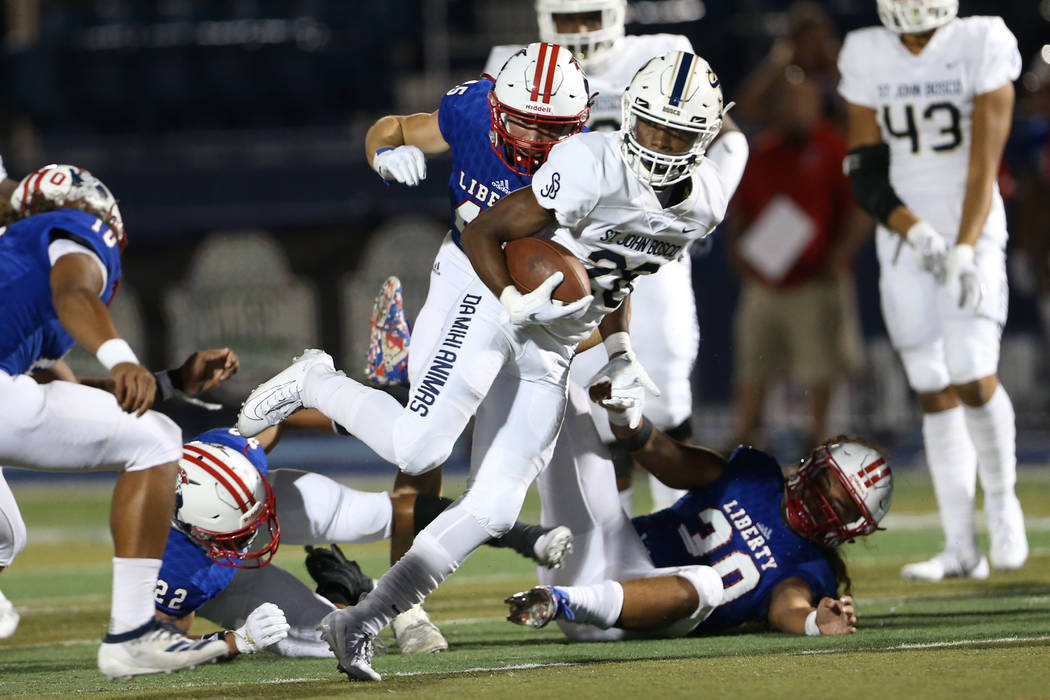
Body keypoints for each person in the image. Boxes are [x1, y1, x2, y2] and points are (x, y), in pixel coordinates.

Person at [238, 49, 744, 681]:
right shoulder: (587, 160)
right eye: (650, 127)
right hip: (485, 288)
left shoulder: (703, 205)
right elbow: (484, 233)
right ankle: (315, 377)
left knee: (498, 505)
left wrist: (620, 352)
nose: (661, 144)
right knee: (420, 449)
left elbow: (616, 275)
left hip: (554, 340)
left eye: (679, 134)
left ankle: (360, 620)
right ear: (626, 118)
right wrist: (510, 300)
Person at [485, 0, 750, 513]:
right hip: (568, 247)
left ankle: (683, 532)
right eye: (568, 18)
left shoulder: (662, 55)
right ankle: (620, 544)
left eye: (591, 15)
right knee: (588, 408)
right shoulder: (515, 62)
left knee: (667, 391)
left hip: (651, 244)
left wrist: (692, 217)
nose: (582, 29)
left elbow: (730, 143)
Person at [0, 164, 235, 676]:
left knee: (4, 536)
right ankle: (132, 635)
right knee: (156, 440)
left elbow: (54, 398)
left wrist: (167, 382)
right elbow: (75, 294)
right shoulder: (71, 226)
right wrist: (120, 357)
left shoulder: (14, 269)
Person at [838, 1, 1026, 580]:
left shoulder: (981, 39)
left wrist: (964, 245)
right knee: (929, 383)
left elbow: (982, 166)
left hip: (970, 225)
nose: (917, 38)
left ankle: (1001, 501)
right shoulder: (867, 51)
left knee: (971, 369)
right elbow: (865, 173)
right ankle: (960, 546)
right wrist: (915, 231)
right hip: (906, 237)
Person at [504, 382, 892, 639]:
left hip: (622, 621)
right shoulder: (755, 475)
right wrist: (628, 421)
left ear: (851, 528)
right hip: (598, 548)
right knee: (560, 388)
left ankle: (559, 601)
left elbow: (786, 608)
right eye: (825, 483)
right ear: (813, 463)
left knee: (708, 583)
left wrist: (814, 623)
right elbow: (670, 457)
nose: (820, 502)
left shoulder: (808, 568)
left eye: (838, 507)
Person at [153, 424, 575, 658]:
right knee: (344, 643)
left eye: (254, 519)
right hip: (229, 584)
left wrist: (367, 421)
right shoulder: (169, 569)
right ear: (194, 528)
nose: (256, 534)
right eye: (243, 530)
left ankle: (521, 534)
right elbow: (158, 640)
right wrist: (232, 642)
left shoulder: (224, 458)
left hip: (268, 499)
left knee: (380, 513)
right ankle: (347, 593)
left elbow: (276, 412)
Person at [727, 75, 869, 451]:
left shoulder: (833, 147)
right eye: (788, 103)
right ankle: (745, 436)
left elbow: (859, 210)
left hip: (815, 280)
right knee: (754, 361)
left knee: (819, 366)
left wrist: (840, 253)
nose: (796, 111)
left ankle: (818, 438)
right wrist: (738, 253)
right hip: (765, 281)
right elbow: (740, 211)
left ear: (816, 106)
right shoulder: (762, 152)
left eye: (803, 103)